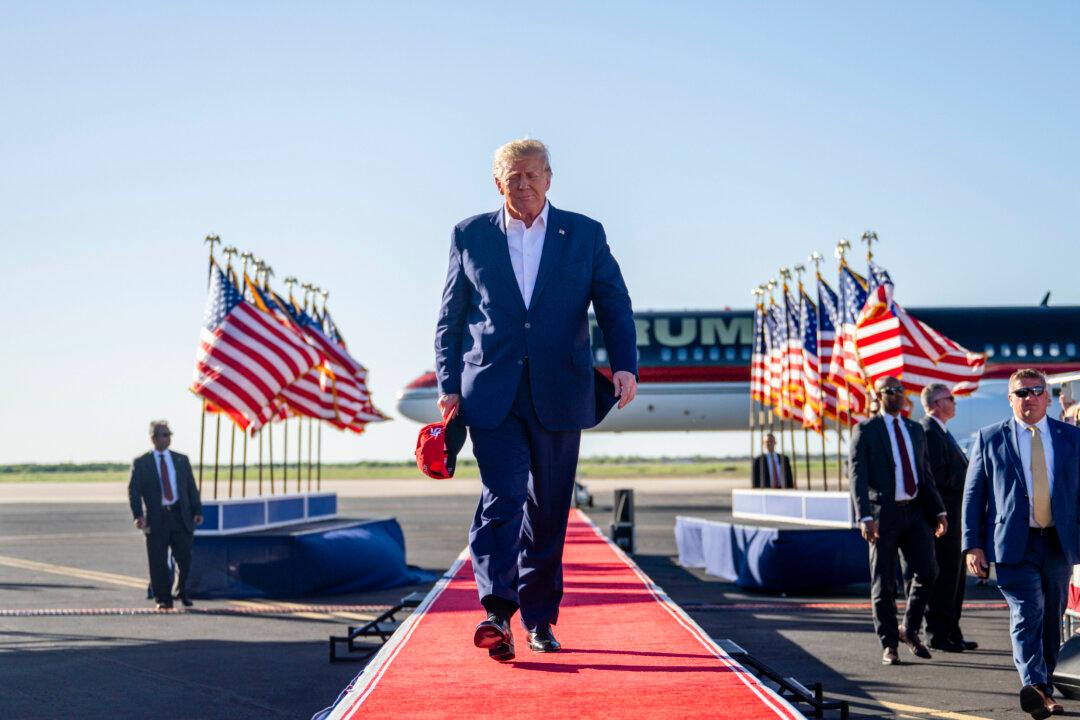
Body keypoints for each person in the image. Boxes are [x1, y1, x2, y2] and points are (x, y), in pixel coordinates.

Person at [434, 138, 637, 661]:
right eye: (513, 177)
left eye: (533, 175)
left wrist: (625, 365)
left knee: (548, 512)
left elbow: (613, 301)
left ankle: (539, 619)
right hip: (491, 393)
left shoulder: (584, 234)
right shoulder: (469, 234)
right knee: (502, 497)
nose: (523, 185)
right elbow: (451, 318)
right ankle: (496, 613)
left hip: (560, 392)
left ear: (549, 178)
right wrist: (449, 383)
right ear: (496, 182)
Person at [963, 368, 1080, 719]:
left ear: (1047, 396)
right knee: (1027, 611)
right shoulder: (989, 438)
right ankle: (1037, 687)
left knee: (1052, 616)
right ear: (1010, 398)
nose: (1029, 398)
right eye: (1021, 393)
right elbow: (973, 495)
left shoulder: (1070, 437)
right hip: (1014, 544)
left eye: (1035, 391)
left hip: (1058, 542)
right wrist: (973, 545)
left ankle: (1041, 682)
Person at [850, 375, 947, 665]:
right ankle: (889, 644)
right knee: (884, 584)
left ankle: (909, 629)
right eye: (890, 391)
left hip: (916, 511)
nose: (897, 395)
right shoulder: (866, 430)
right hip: (884, 514)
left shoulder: (914, 429)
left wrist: (939, 511)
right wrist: (864, 515)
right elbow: (857, 475)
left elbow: (924, 474)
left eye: (900, 391)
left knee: (928, 572)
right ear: (878, 396)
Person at [918, 383, 976, 653]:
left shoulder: (942, 432)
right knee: (944, 578)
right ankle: (937, 633)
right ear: (936, 403)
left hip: (955, 517)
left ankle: (952, 630)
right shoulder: (929, 432)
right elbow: (935, 477)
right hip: (943, 519)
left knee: (956, 577)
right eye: (950, 399)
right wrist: (970, 475)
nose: (954, 403)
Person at [128, 420, 203, 609]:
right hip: (157, 516)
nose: (168, 438)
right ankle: (163, 598)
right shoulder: (142, 463)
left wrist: (197, 510)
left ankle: (182, 591)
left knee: (184, 557)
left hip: (179, 515)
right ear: (153, 438)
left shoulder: (180, 460)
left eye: (169, 434)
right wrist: (138, 515)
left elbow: (191, 487)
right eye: (164, 434)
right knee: (158, 560)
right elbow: (134, 490)